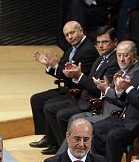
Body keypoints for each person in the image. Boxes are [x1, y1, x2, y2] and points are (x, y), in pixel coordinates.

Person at [41, 26, 119, 152]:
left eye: (104, 42)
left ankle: (67, 150)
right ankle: (60, 146)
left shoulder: (114, 61)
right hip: (82, 97)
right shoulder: (100, 59)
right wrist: (75, 75)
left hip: (92, 103)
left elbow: (100, 88)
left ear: (115, 42)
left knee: (62, 115)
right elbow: (90, 82)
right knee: (49, 107)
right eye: (98, 42)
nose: (100, 46)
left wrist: (79, 76)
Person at [29, 21, 98, 150]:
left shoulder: (88, 50)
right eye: (66, 35)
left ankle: (58, 145)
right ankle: (48, 137)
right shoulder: (71, 49)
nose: (70, 37)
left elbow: (71, 76)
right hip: (68, 86)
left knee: (49, 106)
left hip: (77, 91)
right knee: (36, 99)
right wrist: (50, 65)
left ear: (81, 31)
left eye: (72, 33)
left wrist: (55, 66)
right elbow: (62, 71)